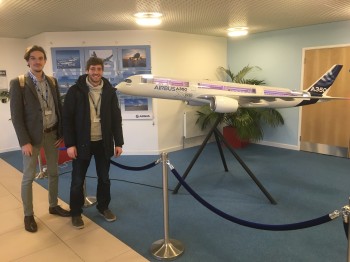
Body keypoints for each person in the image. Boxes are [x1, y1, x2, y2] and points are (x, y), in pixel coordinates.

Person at [10, 45, 71, 233]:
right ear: (28, 61)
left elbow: (58, 108)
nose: (37, 61)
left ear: (45, 60)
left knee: (54, 172)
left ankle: (53, 205)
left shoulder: (52, 81)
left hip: (52, 134)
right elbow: (17, 115)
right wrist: (24, 142)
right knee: (28, 177)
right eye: (33, 58)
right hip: (31, 138)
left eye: (41, 58)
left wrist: (61, 133)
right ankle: (28, 215)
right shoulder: (18, 83)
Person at [63, 57, 124, 229]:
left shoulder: (110, 91)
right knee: (77, 180)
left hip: (103, 143)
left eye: (99, 69)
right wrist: (70, 144)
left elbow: (116, 120)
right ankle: (75, 212)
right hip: (82, 143)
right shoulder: (75, 90)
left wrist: (118, 142)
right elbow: (67, 119)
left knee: (104, 179)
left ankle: (103, 207)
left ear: (102, 71)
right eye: (92, 69)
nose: (96, 72)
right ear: (87, 70)